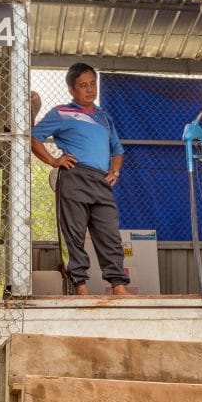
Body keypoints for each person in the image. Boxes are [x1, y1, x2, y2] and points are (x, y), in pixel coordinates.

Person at [31, 63, 129, 296]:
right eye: (83, 86)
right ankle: (80, 286)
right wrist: (54, 161)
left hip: (100, 180)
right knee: (73, 234)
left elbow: (118, 150)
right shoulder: (61, 112)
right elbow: (34, 138)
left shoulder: (104, 117)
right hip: (74, 176)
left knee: (110, 233)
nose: (89, 90)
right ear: (71, 90)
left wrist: (114, 171)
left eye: (92, 84)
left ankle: (118, 286)